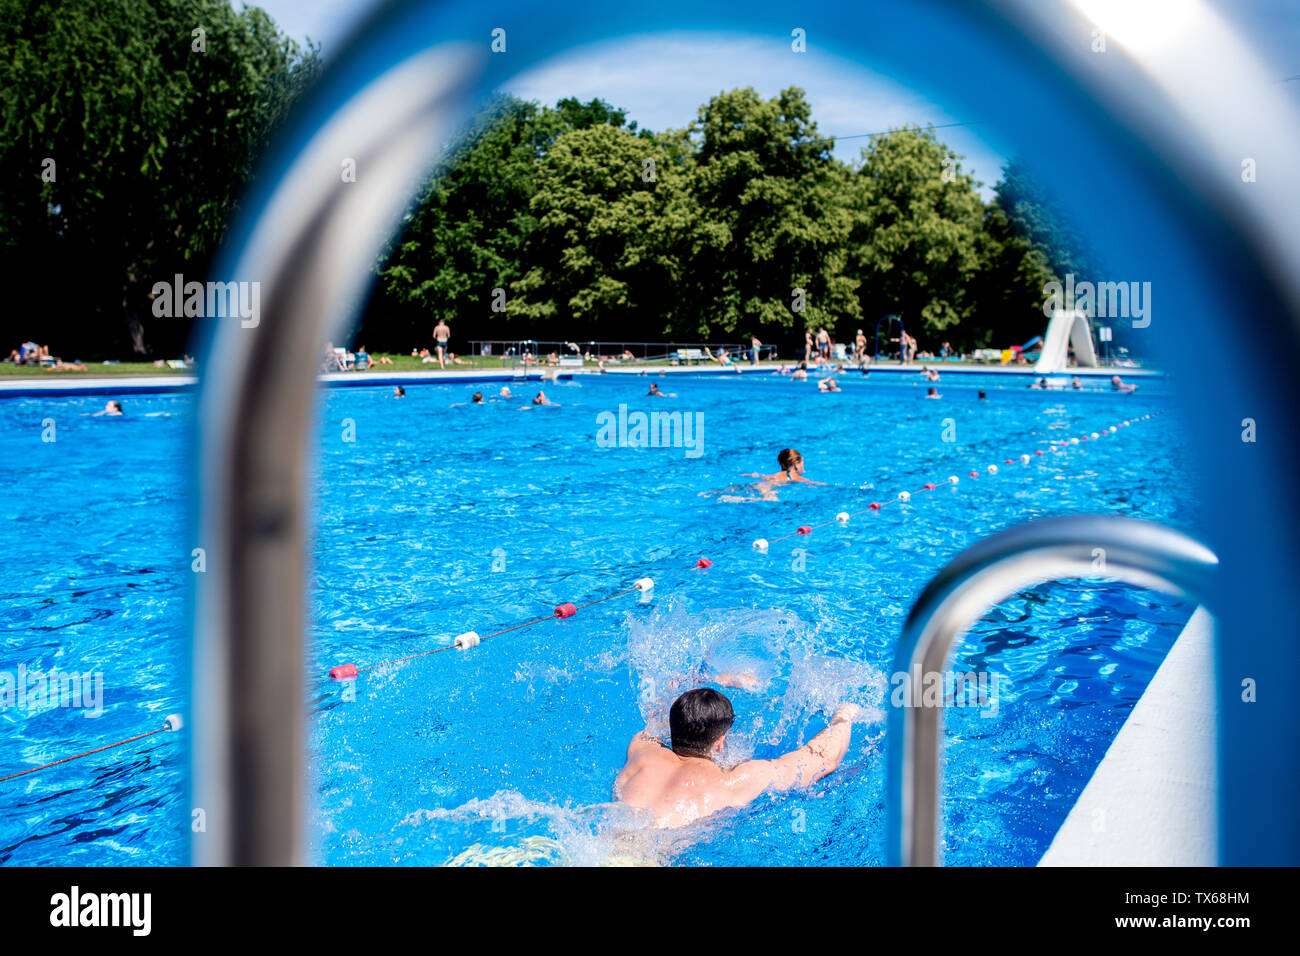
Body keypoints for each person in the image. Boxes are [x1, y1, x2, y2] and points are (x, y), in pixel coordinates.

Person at [615, 687, 860, 829]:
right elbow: (824, 759)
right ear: (721, 741)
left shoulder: (642, 750)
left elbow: (655, 718)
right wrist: (845, 714)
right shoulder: (734, 781)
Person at [745, 448, 825, 487]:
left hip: (761, 485)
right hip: (767, 489)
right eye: (802, 463)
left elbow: (760, 476)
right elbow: (812, 484)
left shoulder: (775, 475)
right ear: (796, 463)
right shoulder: (793, 477)